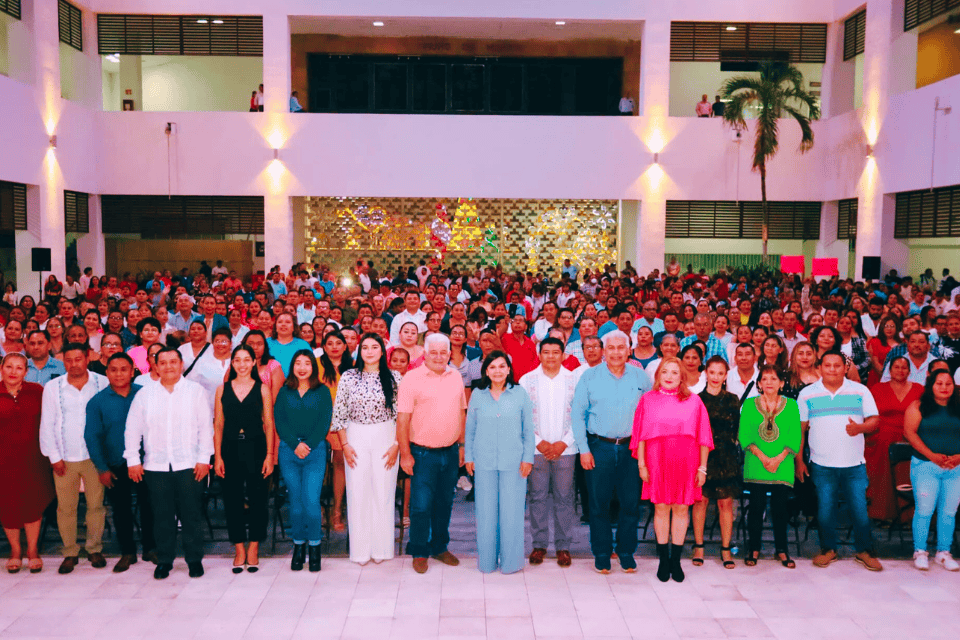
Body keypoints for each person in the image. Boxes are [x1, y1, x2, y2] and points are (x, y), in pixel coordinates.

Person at [124, 347, 214, 580]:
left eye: (173, 361)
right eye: (162, 362)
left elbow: (206, 428)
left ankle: (194, 560)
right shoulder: (145, 394)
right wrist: (133, 460)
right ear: (155, 366)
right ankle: (164, 560)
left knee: (191, 515)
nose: (168, 366)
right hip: (156, 466)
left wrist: (204, 459)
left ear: (181, 364)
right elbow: (133, 429)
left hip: (189, 464)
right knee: (162, 516)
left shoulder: (195, 392)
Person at [571, 330, 653, 574]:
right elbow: (577, 415)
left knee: (630, 504)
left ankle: (626, 552)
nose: (616, 352)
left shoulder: (641, 378)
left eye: (621, 347)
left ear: (629, 350)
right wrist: (584, 450)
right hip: (599, 447)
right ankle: (602, 553)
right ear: (604, 351)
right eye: (611, 348)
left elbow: (649, 416)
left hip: (632, 449)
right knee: (599, 505)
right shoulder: (589, 377)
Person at [796, 351, 882, 571]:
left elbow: (875, 421)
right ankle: (828, 550)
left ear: (845, 368)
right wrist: (799, 461)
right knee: (825, 511)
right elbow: (800, 431)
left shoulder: (860, 390)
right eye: (828, 365)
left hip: (854, 464)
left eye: (837, 366)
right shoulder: (807, 394)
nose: (832, 369)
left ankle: (864, 551)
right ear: (819, 368)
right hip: (822, 464)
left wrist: (860, 428)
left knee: (860, 510)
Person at [632, 357, 713, 582]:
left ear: (682, 376)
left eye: (674, 372)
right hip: (656, 461)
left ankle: (675, 560)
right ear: (657, 375)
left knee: (680, 509)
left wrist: (702, 468)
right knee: (660, 508)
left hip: (686, 462)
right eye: (665, 371)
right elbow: (640, 436)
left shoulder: (694, 401)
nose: (669, 376)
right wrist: (641, 464)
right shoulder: (647, 400)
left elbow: (704, 437)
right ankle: (663, 560)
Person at [397, 333, 467, 574]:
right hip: (421, 454)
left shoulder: (456, 375)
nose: (439, 356)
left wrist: (462, 446)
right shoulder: (411, 379)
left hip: (449, 453)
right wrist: (405, 454)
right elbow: (403, 419)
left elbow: (461, 413)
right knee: (420, 506)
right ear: (425, 354)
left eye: (443, 352)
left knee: (444, 503)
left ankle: (439, 547)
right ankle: (418, 550)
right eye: (433, 352)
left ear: (450, 353)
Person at [330, 333, 402, 565]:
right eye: (365, 348)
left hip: (387, 436)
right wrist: (345, 445)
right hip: (355, 436)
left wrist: (397, 446)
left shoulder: (394, 377)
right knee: (358, 492)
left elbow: (402, 416)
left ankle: (381, 550)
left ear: (382, 351)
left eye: (374, 347)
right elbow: (339, 415)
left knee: (383, 492)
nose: (369, 351)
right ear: (359, 352)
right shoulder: (349, 377)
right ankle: (360, 551)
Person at [39, 342, 109, 574]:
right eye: (68, 360)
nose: (73, 364)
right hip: (65, 456)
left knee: (96, 505)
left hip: (94, 456)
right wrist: (54, 457)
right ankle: (69, 551)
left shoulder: (102, 382)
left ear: (87, 358)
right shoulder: (53, 387)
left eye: (78, 359)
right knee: (66, 508)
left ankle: (94, 548)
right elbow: (47, 423)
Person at [83, 352, 156, 573]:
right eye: (113, 369)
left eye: (123, 369)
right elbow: (92, 437)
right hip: (115, 464)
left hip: (147, 462)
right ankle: (127, 551)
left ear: (133, 371)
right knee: (121, 509)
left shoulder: (145, 394)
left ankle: (151, 547)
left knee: (149, 507)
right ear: (107, 373)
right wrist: (102, 468)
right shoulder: (98, 401)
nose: (118, 374)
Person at [465, 351, 534, 574]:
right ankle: (486, 562)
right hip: (483, 461)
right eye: (492, 367)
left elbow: (528, 430)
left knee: (512, 513)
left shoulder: (520, 394)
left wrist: (527, 458)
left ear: (508, 369)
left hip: (513, 462)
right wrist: (469, 457)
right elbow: (470, 429)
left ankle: (511, 563)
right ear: (486, 371)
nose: (497, 371)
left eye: (501, 366)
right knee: (485, 513)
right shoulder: (477, 394)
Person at [214, 345, 276, 574]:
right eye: (237, 360)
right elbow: (218, 424)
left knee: (259, 498)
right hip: (229, 448)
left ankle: (254, 547)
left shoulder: (263, 389)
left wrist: (270, 455)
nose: (241, 364)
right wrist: (218, 455)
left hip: (256, 447)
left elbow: (269, 424)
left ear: (253, 363)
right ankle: (239, 547)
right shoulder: (222, 389)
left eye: (246, 360)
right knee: (232, 499)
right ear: (232, 363)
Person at [519, 337, 578, 568]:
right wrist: (538, 442)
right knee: (537, 497)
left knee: (565, 498)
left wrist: (564, 442)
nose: (551, 356)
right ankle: (539, 544)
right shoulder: (527, 380)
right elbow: (522, 417)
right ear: (539, 354)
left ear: (564, 355)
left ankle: (563, 546)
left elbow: (579, 415)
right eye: (546, 352)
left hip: (567, 449)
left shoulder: (574, 380)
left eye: (556, 352)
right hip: (536, 449)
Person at [275, 350, 332, 572]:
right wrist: (294, 444)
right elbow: (279, 421)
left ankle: (315, 547)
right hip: (289, 451)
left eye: (306, 363)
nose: (302, 367)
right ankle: (299, 546)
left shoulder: (322, 391)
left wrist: (307, 445)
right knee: (295, 504)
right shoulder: (284, 392)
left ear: (313, 367)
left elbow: (324, 421)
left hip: (315, 450)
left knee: (310, 501)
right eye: (297, 363)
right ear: (292, 367)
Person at [739, 365, 802, 569]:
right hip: (756, 463)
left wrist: (777, 459)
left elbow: (795, 436)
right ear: (759, 383)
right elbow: (744, 434)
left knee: (780, 510)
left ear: (781, 383)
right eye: (764, 378)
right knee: (755, 509)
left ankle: (782, 550)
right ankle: (754, 548)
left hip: (782, 465)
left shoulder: (791, 405)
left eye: (773, 379)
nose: (769, 382)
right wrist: (764, 458)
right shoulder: (749, 404)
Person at [0, 354, 54, 574]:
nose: (13, 372)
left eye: (19, 368)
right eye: (9, 367)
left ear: (26, 371)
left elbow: (50, 422)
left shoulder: (38, 392)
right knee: (8, 505)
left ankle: (32, 551)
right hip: (3, 460)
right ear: (2, 368)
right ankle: (15, 551)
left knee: (33, 503)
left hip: (34, 458)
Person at [903, 370, 960, 571]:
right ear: (931, 385)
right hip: (926, 465)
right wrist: (932, 455)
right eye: (939, 383)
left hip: (956, 468)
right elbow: (909, 433)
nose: (944, 387)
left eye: (948, 384)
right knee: (925, 509)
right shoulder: (919, 406)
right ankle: (920, 551)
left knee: (948, 512)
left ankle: (943, 553)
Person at [691, 356, 741, 570]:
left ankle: (726, 548)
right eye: (712, 372)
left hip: (726, 457)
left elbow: (736, 430)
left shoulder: (732, 399)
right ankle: (699, 546)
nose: (716, 377)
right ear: (706, 373)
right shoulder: (696, 400)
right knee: (700, 501)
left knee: (725, 503)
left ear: (725, 375)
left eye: (720, 373)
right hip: (701, 456)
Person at [866, 356, 923, 521]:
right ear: (889, 371)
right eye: (896, 367)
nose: (900, 370)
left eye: (904, 367)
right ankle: (883, 514)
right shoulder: (877, 389)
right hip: (882, 438)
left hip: (910, 436)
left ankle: (908, 516)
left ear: (909, 371)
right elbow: (869, 415)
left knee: (908, 475)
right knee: (884, 477)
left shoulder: (919, 389)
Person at [319, 330, 353, 532]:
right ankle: (322, 509)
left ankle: (337, 509)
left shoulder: (354, 367)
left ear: (345, 346)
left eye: (338, 343)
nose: (334, 346)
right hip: (319, 422)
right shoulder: (316, 364)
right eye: (329, 343)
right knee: (321, 467)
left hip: (344, 425)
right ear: (324, 347)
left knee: (340, 464)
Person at [267, 312, 311, 376]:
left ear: (294, 327)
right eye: (280, 322)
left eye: (287, 322)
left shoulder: (303, 345)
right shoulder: (266, 343)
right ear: (275, 326)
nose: (283, 324)